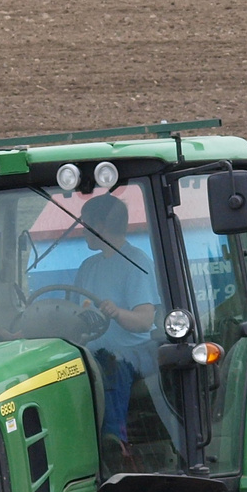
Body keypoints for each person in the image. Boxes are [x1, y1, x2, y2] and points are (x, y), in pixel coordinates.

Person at [72, 194, 161, 458]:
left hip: (136, 352)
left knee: (110, 361)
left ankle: (114, 441)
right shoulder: (88, 267)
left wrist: (117, 312)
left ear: (101, 225)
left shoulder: (136, 262)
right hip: (92, 352)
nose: (81, 228)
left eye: (85, 223)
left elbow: (145, 320)